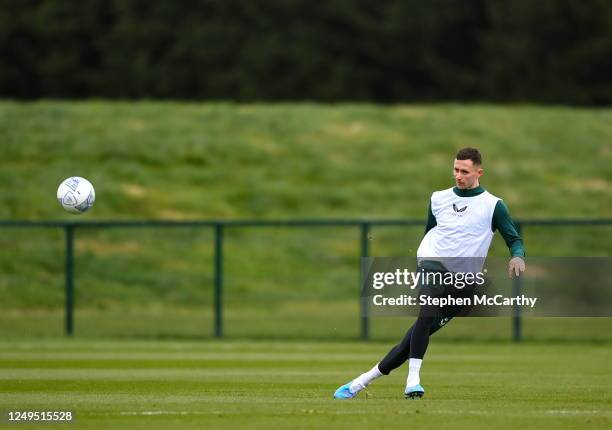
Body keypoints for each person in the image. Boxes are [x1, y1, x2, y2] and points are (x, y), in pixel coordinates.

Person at [333, 147, 526, 400]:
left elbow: (514, 239)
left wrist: (517, 256)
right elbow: (429, 233)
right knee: (426, 311)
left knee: (412, 338)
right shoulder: (438, 198)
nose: (458, 175)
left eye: (464, 171)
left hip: (464, 282)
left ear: (479, 172)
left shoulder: (493, 206)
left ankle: (360, 382)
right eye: (455, 169)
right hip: (432, 263)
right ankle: (413, 381)